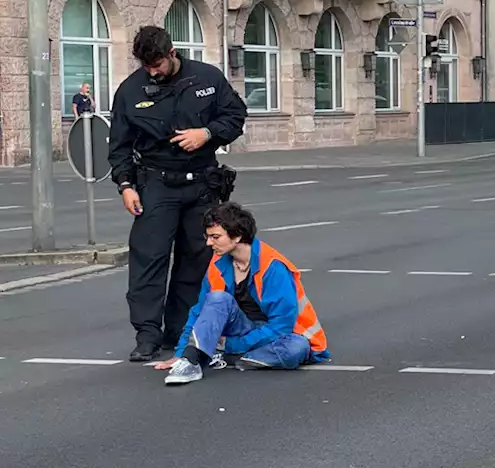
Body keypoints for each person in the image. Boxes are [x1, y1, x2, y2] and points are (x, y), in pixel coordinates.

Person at [109, 26, 248, 363]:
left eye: (157, 64)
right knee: (149, 259)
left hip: (201, 183)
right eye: (147, 67)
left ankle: (179, 330)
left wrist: (206, 133)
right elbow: (119, 145)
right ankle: (147, 335)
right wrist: (126, 185)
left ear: (172, 53)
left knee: (195, 259)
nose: (153, 72)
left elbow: (235, 116)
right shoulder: (130, 90)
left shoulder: (207, 78)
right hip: (155, 183)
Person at [155, 202, 330, 385]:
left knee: (296, 348)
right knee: (216, 298)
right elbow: (199, 311)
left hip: (276, 334)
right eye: (208, 237)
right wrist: (182, 353)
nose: (208, 243)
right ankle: (194, 361)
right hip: (242, 328)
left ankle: (226, 354)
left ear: (237, 236)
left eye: (215, 237)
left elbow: (280, 326)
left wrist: (231, 345)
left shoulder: (273, 267)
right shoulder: (218, 262)